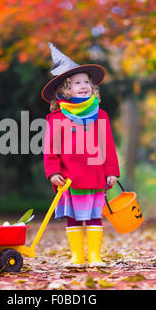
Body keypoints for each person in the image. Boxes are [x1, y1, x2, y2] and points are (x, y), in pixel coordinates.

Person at [43, 43, 120, 267]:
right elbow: (51, 149)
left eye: (87, 81)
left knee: (95, 216)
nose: (84, 85)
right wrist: (53, 172)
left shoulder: (101, 115)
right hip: (69, 177)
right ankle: (77, 256)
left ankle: (95, 256)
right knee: (74, 217)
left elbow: (108, 146)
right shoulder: (57, 119)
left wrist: (111, 172)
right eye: (77, 83)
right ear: (65, 89)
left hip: (95, 175)